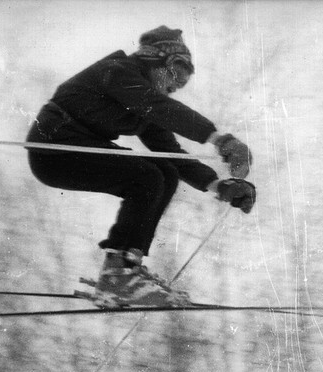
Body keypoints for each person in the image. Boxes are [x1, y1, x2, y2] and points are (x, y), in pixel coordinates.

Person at [27, 25, 256, 307]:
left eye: (182, 84)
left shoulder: (144, 105)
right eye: (175, 75)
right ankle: (117, 273)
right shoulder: (119, 71)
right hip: (54, 147)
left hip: (76, 148)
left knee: (164, 172)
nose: (175, 87)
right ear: (155, 60)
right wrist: (220, 139)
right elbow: (157, 106)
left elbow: (171, 153)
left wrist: (217, 185)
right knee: (145, 176)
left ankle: (127, 267)